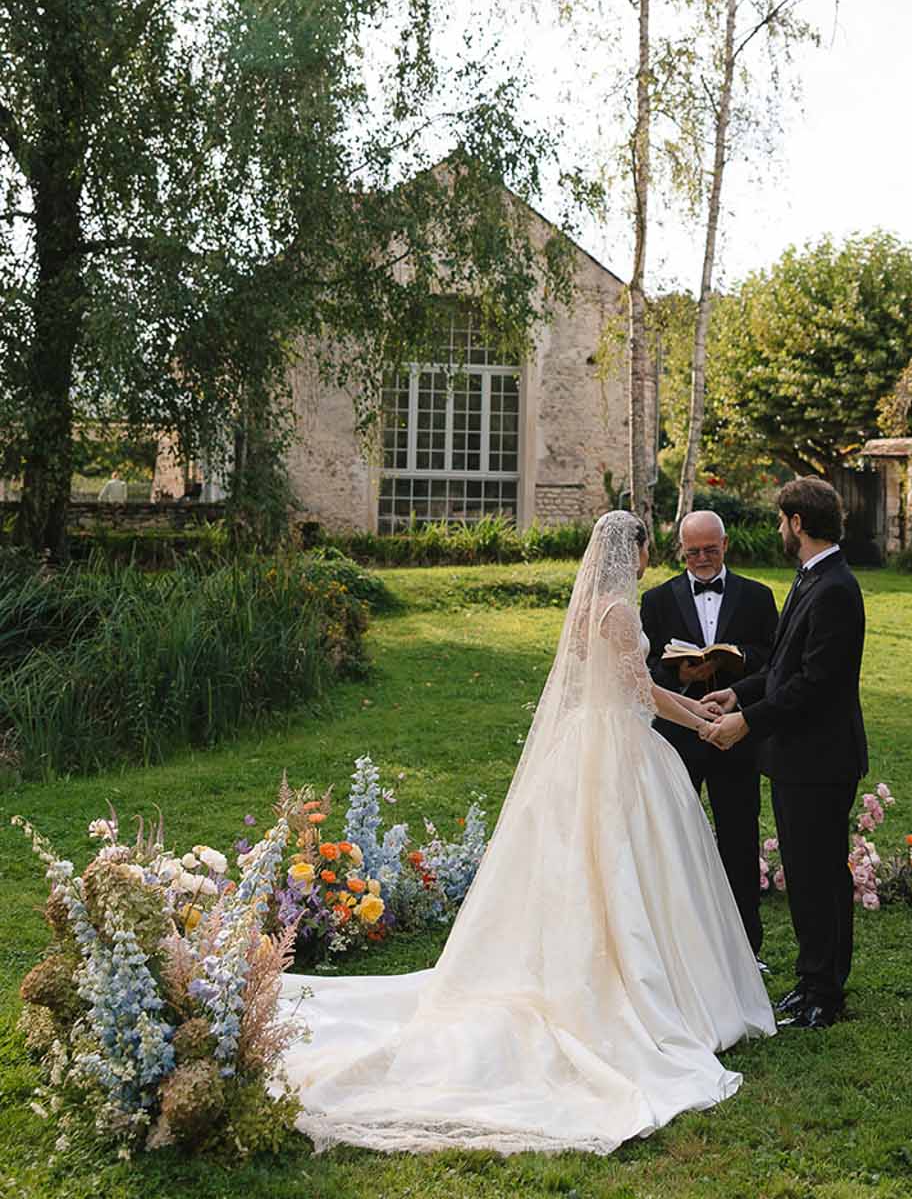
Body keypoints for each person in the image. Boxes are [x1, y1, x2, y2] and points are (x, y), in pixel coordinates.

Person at [278, 512, 775, 1155]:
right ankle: (638, 985)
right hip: (619, 749)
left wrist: (696, 708)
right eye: (649, 550)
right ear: (636, 552)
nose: (650, 560)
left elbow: (636, 688)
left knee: (588, 863)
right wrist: (703, 722)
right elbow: (641, 693)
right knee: (626, 861)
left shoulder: (593, 606)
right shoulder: (620, 611)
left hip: (593, 742)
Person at [701, 476, 867, 1029]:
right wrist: (738, 693)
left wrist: (746, 722)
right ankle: (811, 980)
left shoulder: (836, 588)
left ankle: (825, 992)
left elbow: (813, 685)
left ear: (798, 522)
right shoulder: (811, 577)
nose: (778, 530)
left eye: (781, 520)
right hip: (799, 758)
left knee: (819, 877)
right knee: (806, 872)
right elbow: (781, 667)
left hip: (820, 759)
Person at [640, 510, 777, 955]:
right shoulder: (657, 599)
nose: (701, 558)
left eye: (710, 550)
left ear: (726, 545)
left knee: (739, 839)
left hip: (737, 734)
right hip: (679, 737)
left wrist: (735, 663)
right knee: (675, 841)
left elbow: (773, 659)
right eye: (693, 551)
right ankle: (683, 948)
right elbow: (643, 669)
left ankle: (746, 949)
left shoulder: (757, 596)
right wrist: (681, 673)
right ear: (681, 549)